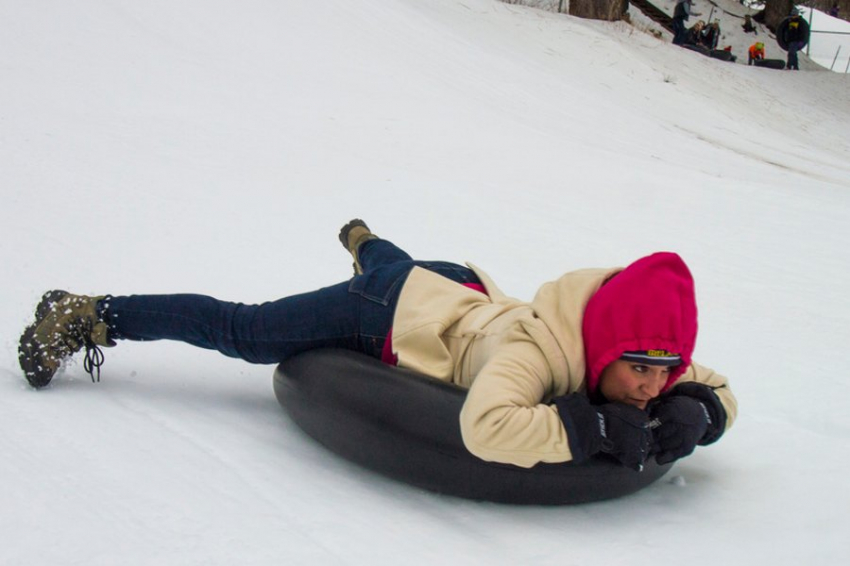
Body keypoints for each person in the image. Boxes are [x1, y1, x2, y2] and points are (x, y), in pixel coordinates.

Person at [18, 220, 737, 472]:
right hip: (389, 313)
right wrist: (585, 428)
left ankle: (366, 241)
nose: (651, 388)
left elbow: (715, 382)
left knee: (402, 264)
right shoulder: (533, 356)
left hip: (459, 288)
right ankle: (86, 314)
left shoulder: (641, 357)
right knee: (246, 330)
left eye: (662, 373)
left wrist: (703, 409)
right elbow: (487, 426)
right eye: (640, 370)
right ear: (606, 349)